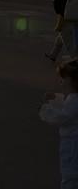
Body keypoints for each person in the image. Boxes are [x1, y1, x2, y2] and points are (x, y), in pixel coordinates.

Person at [39, 59, 78, 188]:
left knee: (70, 176)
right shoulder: (73, 99)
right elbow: (68, 107)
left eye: (64, 78)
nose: (61, 81)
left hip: (72, 145)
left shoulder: (74, 101)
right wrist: (55, 98)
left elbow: (62, 116)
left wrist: (45, 109)